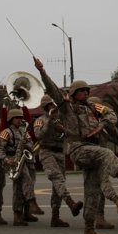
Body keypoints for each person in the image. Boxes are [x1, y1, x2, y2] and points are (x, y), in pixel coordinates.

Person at [33, 57, 118, 234]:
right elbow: (54, 91)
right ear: (73, 93)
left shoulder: (92, 107)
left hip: (92, 150)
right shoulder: (67, 107)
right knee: (108, 153)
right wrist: (42, 71)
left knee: (92, 191)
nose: (85, 93)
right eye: (81, 91)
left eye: (86, 91)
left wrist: (102, 123)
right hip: (78, 148)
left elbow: (111, 115)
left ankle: (89, 229)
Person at [34, 95, 83, 227]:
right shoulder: (40, 120)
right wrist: (49, 121)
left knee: (58, 185)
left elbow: (71, 133)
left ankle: (55, 216)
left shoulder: (61, 119)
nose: (52, 108)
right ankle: (71, 203)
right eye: (49, 106)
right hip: (46, 151)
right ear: (45, 107)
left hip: (59, 152)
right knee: (57, 179)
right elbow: (38, 135)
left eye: (53, 105)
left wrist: (63, 129)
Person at [87, 96, 118, 229]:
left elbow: (114, 133)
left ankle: (99, 218)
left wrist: (106, 123)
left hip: (102, 156)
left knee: (98, 187)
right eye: (95, 106)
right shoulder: (86, 121)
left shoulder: (103, 120)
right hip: (91, 157)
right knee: (99, 185)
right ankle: (116, 202)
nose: (97, 109)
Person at [0, 109, 43, 226]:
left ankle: (23, 213)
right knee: (25, 181)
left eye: (20, 117)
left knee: (24, 186)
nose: (20, 120)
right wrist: (8, 160)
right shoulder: (6, 132)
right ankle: (29, 205)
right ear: (11, 119)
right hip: (13, 162)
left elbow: (30, 145)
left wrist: (28, 145)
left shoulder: (24, 131)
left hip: (26, 161)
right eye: (17, 118)